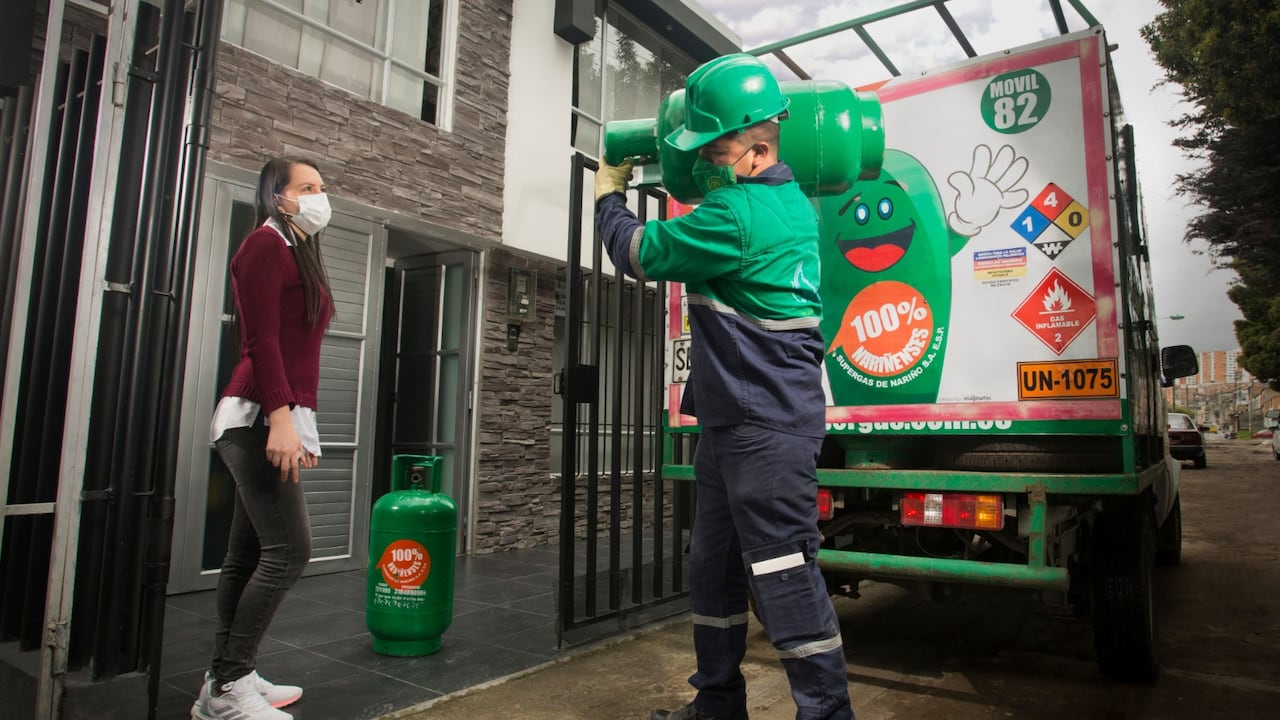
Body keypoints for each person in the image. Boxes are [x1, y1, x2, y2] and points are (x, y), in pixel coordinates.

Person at [595, 54, 854, 720]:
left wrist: (607, 196)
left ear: (759, 148)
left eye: (717, 146)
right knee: (712, 570)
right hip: (732, 423)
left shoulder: (737, 215)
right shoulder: (781, 203)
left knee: (782, 574)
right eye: (700, 146)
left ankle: (828, 713)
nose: (705, 158)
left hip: (763, 427)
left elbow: (636, 252)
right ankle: (716, 705)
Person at [192, 157, 334, 720]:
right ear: (278, 196)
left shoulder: (293, 250)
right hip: (255, 415)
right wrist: (280, 419)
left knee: (248, 552)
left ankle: (228, 678)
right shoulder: (263, 246)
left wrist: (300, 424)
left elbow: (297, 351)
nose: (320, 197)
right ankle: (228, 688)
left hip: (270, 414)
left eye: (322, 188)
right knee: (289, 551)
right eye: (307, 188)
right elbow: (263, 342)